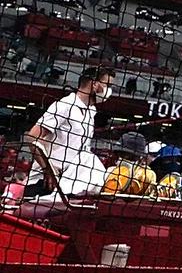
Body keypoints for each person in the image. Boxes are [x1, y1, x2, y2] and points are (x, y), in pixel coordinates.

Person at [21, 62, 113, 201]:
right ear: (94, 84)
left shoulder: (91, 111)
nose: (109, 90)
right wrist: (48, 170)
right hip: (45, 182)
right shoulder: (65, 105)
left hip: (69, 183)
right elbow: (32, 137)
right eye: (107, 85)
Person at [102, 131, 157, 197]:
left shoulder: (147, 175)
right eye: (121, 154)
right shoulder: (110, 171)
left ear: (140, 158)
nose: (124, 158)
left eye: (130, 156)